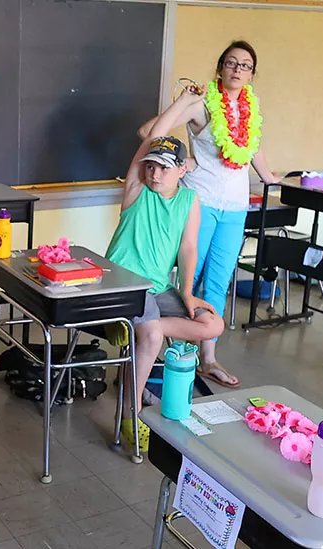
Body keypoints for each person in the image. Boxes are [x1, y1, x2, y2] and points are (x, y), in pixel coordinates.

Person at [137, 40, 279, 388]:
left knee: (217, 281)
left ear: (251, 74)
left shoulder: (250, 109)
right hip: (200, 202)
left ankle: (208, 358)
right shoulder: (202, 105)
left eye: (245, 65)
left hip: (235, 206)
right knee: (189, 277)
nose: (237, 69)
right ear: (220, 68)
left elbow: (252, 149)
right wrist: (185, 157)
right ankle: (174, 353)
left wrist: (269, 177)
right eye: (231, 63)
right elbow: (149, 131)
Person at [106, 134, 225, 452]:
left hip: (159, 289)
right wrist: (181, 104)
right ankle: (130, 414)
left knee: (212, 324)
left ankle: (148, 332)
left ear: (183, 169)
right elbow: (144, 148)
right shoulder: (136, 191)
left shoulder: (189, 200)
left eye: (164, 168)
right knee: (153, 337)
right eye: (150, 166)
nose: (155, 174)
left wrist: (186, 293)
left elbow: (188, 248)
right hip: (125, 286)